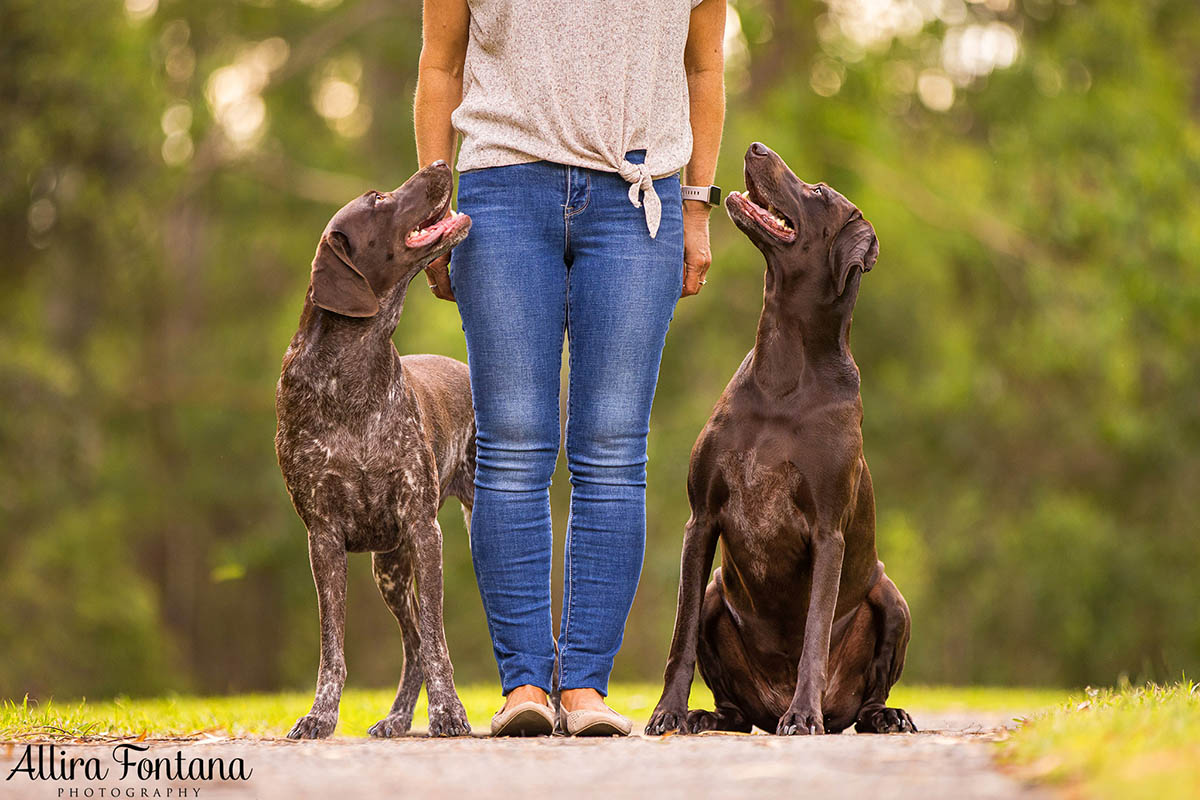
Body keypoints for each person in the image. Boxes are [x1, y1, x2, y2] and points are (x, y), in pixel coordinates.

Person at [414, 0, 726, 736]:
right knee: (512, 444)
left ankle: (585, 687)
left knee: (613, 450)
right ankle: (523, 683)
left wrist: (699, 209)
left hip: (637, 199)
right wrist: (433, 203)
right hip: (501, 190)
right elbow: (440, 63)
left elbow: (705, 65)